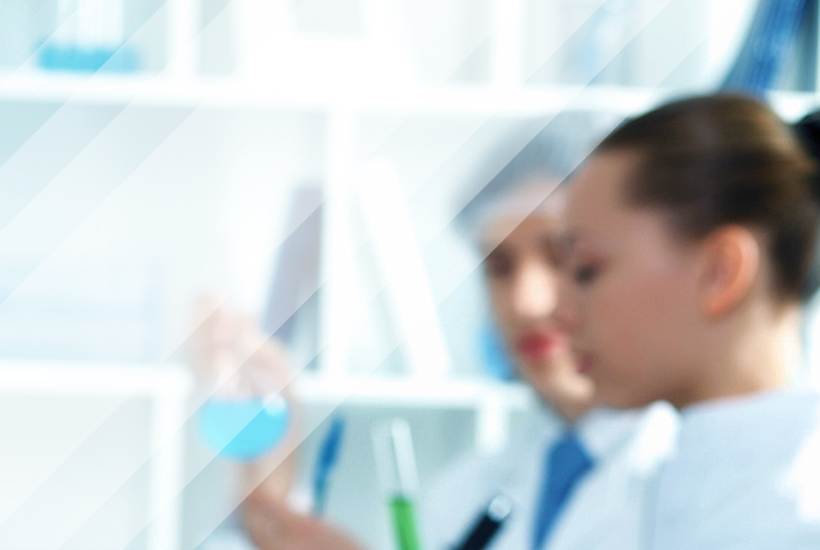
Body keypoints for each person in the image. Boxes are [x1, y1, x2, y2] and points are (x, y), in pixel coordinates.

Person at [236, 119, 678, 550]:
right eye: (500, 267)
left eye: (561, 255)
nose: (525, 302)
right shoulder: (465, 493)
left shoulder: (682, 467)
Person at [558, 93, 820, 549]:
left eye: (587, 269)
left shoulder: (790, 523)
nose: (558, 311)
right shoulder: (665, 482)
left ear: (720, 273)